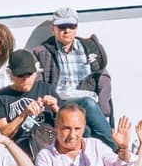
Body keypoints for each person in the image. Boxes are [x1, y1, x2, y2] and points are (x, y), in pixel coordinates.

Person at [32, 8, 111, 136]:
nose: (67, 30)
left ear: (76, 27)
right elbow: (38, 83)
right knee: (87, 107)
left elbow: (103, 75)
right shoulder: (42, 52)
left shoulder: (89, 47)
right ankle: (117, 149)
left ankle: (114, 151)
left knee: (88, 124)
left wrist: (104, 106)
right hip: (62, 101)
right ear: (53, 29)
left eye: (71, 26)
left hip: (89, 99)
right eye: (62, 26)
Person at [0, 48, 59, 150]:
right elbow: (2, 134)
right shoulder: (0, 97)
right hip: (21, 147)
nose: (25, 79)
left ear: (35, 73)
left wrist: (56, 109)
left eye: (29, 74)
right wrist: (23, 115)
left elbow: (69, 123)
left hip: (48, 141)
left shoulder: (45, 88)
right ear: (10, 74)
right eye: (20, 75)